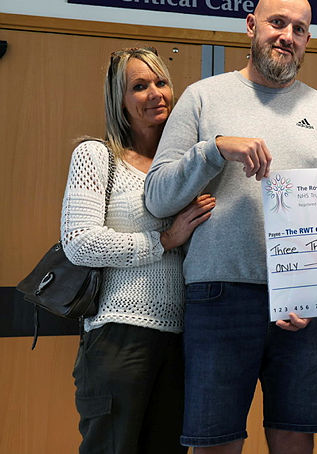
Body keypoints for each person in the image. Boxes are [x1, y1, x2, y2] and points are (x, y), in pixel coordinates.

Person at [144, 0, 317, 454]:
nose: (287, 36)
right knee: (215, 443)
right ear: (251, 25)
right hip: (219, 296)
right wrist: (214, 150)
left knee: (295, 441)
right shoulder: (202, 98)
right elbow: (158, 197)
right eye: (278, 23)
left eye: (299, 29)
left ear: (307, 40)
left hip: (300, 308)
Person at [62, 46, 215, 454]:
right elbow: (78, 242)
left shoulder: (185, 169)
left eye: (161, 82)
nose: (155, 94)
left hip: (182, 338)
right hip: (118, 338)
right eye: (139, 86)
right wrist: (164, 240)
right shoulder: (97, 156)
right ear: (120, 100)